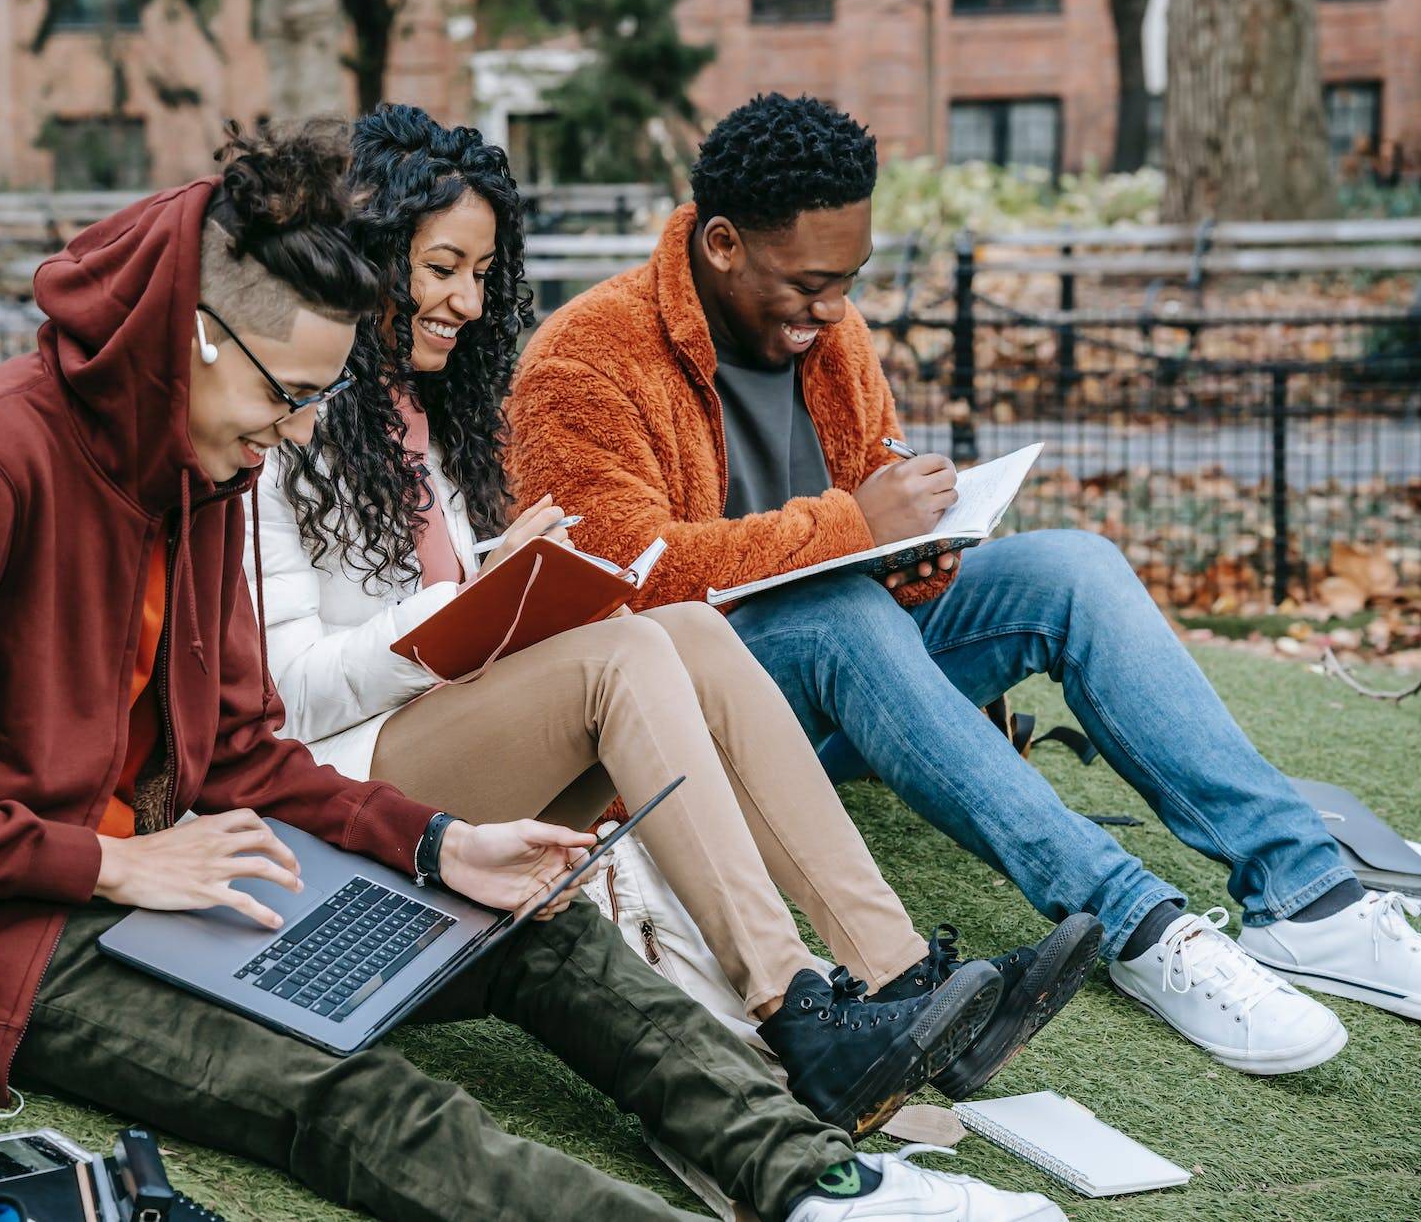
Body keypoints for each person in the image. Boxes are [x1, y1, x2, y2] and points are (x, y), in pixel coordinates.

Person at [0, 119, 1064, 1222]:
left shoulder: (204, 461)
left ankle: (819, 1184)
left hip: (191, 859)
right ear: (200, 337)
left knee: (531, 928)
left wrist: (438, 842)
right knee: (341, 1091)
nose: (287, 438)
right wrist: (114, 862)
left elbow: (238, 751)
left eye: (308, 407)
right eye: (282, 398)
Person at [506, 92, 1421, 1076]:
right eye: (809, 284)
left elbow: (873, 494)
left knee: (1072, 566)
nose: (829, 313)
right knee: (832, 612)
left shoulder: (829, 328)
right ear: (723, 243)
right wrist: (855, 527)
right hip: (700, 711)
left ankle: (1303, 897)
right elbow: (612, 589)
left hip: (851, 660)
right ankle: (1140, 926)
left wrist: (920, 541)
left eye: (847, 282)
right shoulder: (582, 359)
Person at [252, 104, 1099, 1139]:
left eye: (480, 274)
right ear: (368, 253)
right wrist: (472, 599)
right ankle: (795, 1008)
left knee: (685, 633)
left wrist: (504, 581)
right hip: (339, 785)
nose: (465, 302)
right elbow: (284, 693)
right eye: (439, 268)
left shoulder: (439, 412)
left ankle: (894, 976)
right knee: (621, 651)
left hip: (447, 728)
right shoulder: (273, 419)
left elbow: (449, 606)